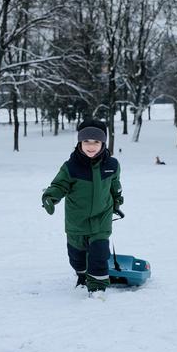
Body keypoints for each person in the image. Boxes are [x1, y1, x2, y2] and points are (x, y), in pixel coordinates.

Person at [42, 120, 124, 296]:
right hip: (77, 220)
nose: (91, 146)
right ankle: (81, 275)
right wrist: (50, 197)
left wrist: (117, 201)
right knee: (77, 257)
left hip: (102, 217)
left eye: (96, 142)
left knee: (99, 254)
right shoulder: (71, 167)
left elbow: (115, 186)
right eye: (86, 141)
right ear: (80, 142)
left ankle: (97, 289)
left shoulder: (112, 165)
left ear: (103, 143)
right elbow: (59, 185)